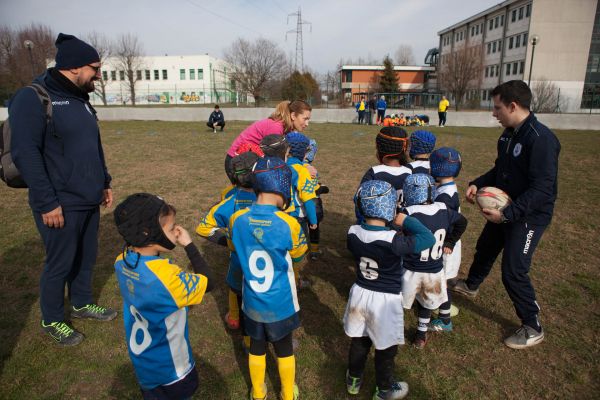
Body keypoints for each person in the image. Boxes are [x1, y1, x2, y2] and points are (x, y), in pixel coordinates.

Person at [10, 33, 114, 346]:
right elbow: (25, 153)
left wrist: (104, 182)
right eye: (94, 68)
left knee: (85, 256)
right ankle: (52, 319)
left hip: (88, 197)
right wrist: (46, 202)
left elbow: (91, 146)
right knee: (60, 262)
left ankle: (81, 303)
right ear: (73, 67)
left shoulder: (81, 98)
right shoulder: (33, 97)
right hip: (59, 203)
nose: (98, 74)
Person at [450, 80, 561, 349]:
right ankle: (472, 284)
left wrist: (509, 214)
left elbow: (543, 190)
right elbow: (500, 170)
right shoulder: (508, 134)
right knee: (486, 246)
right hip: (506, 210)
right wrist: (478, 181)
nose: (493, 113)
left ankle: (532, 326)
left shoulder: (541, 140)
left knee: (513, 270)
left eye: (497, 108)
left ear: (513, 106)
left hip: (528, 216)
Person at [113, 193, 214, 400]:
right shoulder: (167, 279)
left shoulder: (120, 262)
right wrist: (188, 244)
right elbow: (208, 282)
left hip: (144, 364)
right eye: (170, 228)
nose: (176, 230)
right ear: (148, 235)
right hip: (172, 369)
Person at [344, 180, 435, 400]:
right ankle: (384, 389)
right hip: (385, 301)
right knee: (386, 348)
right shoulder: (394, 241)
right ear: (391, 207)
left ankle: (354, 378)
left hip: (360, 294)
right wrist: (406, 221)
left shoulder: (352, 232)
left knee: (359, 339)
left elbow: (371, 235)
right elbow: (428, 238)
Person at [229, 156, 308, 400]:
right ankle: (287, 394)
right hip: (280, 302)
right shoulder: (289, 223)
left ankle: (259, 392)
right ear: (282, 187)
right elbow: (298, 255)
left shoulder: (237, 219)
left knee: (257, 347)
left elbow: (234, 246)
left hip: (252, 301)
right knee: (284, 349)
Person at [196, 152, 259, 342]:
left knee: (236, 289)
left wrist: (228, 242)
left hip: (238, 261)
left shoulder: (227, 202)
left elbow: (203, 228)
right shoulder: (269, 200)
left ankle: (235, 321)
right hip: (266, 263)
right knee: (256, 298)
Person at [399, 174, 468, 349]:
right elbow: (462, 221)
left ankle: (395, 331)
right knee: (426, 303)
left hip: (411, 269)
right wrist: (450, 241)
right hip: (435, 270)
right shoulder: (443, 208)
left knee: (399, 303)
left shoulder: (408, 213)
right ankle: (421, 335)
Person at [224, 100, 312, 182]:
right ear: (293, 116)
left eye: (308, 119)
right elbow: (276, 162)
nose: (307, 124)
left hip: (248, 162)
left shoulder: (285, 128)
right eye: (305, 119)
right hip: (238, 163)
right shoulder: (276, 128)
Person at [428, 147, 464, 326]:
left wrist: (448, 241)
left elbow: (453, 222)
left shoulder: (446, 198)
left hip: (445, 247)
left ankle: (444, 319)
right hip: (446, 243)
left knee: (441, 283)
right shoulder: (446, 187)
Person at [355, 126, 411, 224]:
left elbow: (359, 201)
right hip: (402, 226)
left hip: (377, 227)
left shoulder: (373, 173)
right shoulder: (409, 172)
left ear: (379, 148)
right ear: (404, 149)